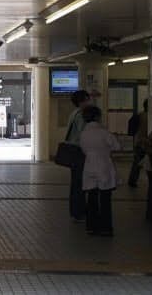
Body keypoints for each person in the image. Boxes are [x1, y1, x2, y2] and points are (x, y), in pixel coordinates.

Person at [80, 105, 120, 236]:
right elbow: (117, 146)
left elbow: (83, 149)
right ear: (97, 117)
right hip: (103, 166)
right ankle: (105, 228)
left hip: (89, 166)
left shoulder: (84, 133)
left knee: (91, 197)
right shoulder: (103, 132)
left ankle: (91, 226)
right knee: (105, 198)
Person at [65, 90, 90, 222]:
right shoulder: (81, 115)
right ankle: (79, 212)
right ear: (81, 101)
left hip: (73, 151)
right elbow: (83, 134)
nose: (89, 102)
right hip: (79, 152)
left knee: (76, 183)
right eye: (87, 99)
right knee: (79, 184)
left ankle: (75, 211)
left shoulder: (74, 113)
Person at [128, 100, 148, 188]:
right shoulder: (150, 116)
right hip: (145, 143)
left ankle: (132, 180)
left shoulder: (139, 115)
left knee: (137, 163)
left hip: (139, 142)